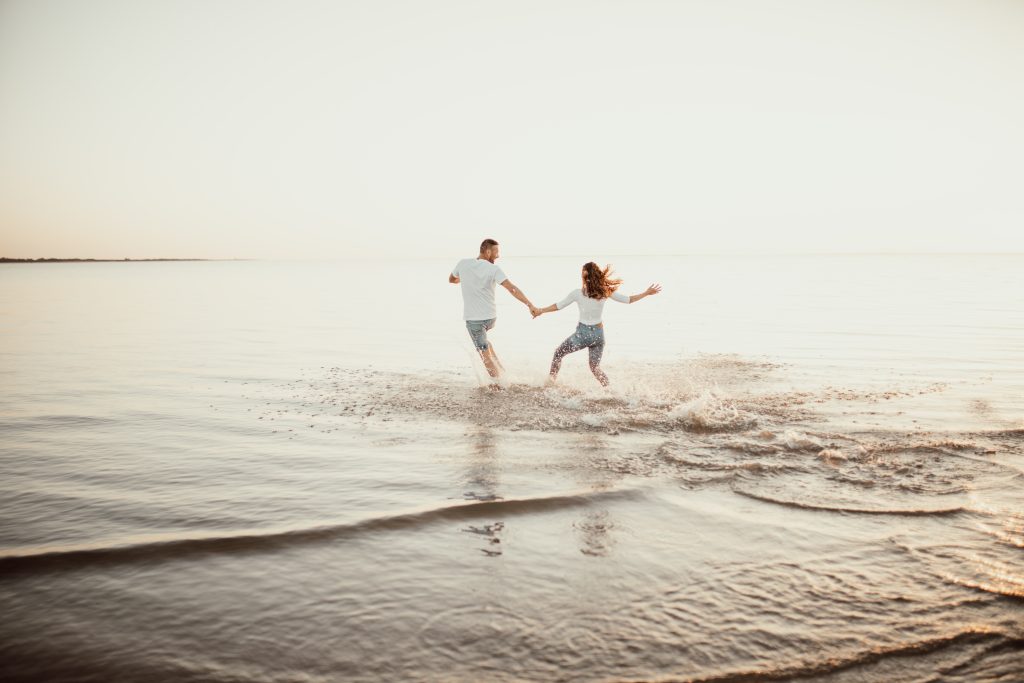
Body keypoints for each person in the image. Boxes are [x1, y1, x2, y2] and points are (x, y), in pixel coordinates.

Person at [533, 262, 661, 386]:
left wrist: (541, 310)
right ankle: (609, 389)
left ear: (584, 276)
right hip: (599, 336)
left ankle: (551, 382)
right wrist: (646, 293)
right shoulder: (605, 291)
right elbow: (629, 300)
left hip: (582, 335)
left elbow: (558, 306)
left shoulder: (577, 293)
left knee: (558, 353)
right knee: (595, 368)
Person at [450, 239, 538, 380]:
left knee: (484, 355)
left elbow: (452, 279)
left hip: (475, 320)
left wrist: (466, 278)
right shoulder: (493, 269)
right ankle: (502, 371)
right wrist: (530, 305)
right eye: (496, 252)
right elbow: (512, 289)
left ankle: (499, 384)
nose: (498, 256)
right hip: (490, 318)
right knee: (485, 342)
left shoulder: (463, 264)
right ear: (488, 251)